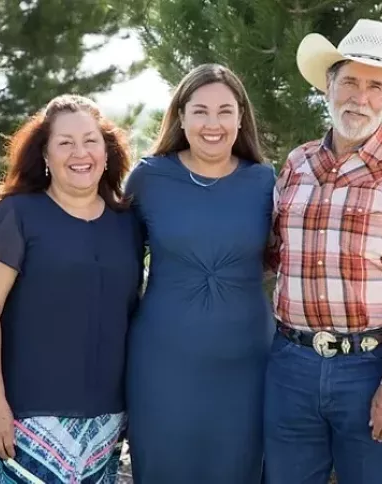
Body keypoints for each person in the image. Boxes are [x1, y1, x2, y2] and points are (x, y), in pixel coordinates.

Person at [264, 19, 382, 484]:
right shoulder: (297, 164)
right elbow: (273, 252)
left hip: (368, 370)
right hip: (291, 363)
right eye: (349, 82)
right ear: (328, 85)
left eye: (373, 86)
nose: (359, 98)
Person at [0, 94, 143, 483]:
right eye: (65, 143)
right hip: (28, 418)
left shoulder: (128, 222)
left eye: (90, 140)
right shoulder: (16, 217)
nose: (79, 153)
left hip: (107, 420)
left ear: (106, 149)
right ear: (45, 154)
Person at [123, 63, 274, 484]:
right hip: (163, 361)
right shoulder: (148, 178)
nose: (213, 124)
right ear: (181, 116)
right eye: (200, 111)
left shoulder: (266, 182)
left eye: (225, 111)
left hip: (247, 362)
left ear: (240, 117)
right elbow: (120, 267)